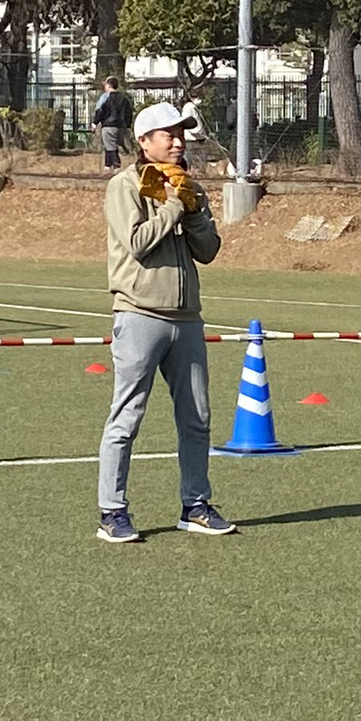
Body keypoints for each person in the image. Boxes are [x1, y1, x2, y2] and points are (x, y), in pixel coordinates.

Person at [100, 99, 233, 544]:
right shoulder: (125, 185)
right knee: (127, 417)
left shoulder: (189, 186)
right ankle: (112, 511)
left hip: (187, 318)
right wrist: (174, 206)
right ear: (143, 141)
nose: (178, 141)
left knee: (197, 417)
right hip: (138, 314)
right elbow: (137, 242)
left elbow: (209, 251)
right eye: (168, 134)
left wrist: (192, 209)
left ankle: (195, 505)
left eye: (181, 133)